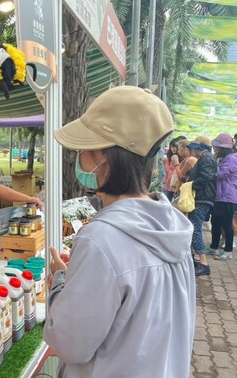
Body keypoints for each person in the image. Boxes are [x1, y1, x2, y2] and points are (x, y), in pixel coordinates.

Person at [44, 86, 195, 378]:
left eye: (86, 147)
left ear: (106, 158)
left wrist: (61, 282)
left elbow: (68, 343)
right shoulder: (174, 227)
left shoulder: (100, 239)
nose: (81, 157)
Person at [186, 136, 217, 276]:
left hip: (203, 198)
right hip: (202, 197)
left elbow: (206, 177)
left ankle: (203, 263)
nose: (193, 150)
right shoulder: (206, 158)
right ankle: (198, 259)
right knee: (194, 227)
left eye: (195, 147)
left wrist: (191, 185)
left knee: (195, 228)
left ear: (202, 147)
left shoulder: (206, 158)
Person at [209, 133, 237, 260]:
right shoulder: (226, 158)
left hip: (227, 197)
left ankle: (228, 251)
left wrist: (212, 167)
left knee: (226, 224)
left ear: (222, 148)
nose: (214, 149)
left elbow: (221, 175)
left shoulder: (232, 158)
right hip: (220, 196)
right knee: (215, 222)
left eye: (216, 147)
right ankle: (213, 247)